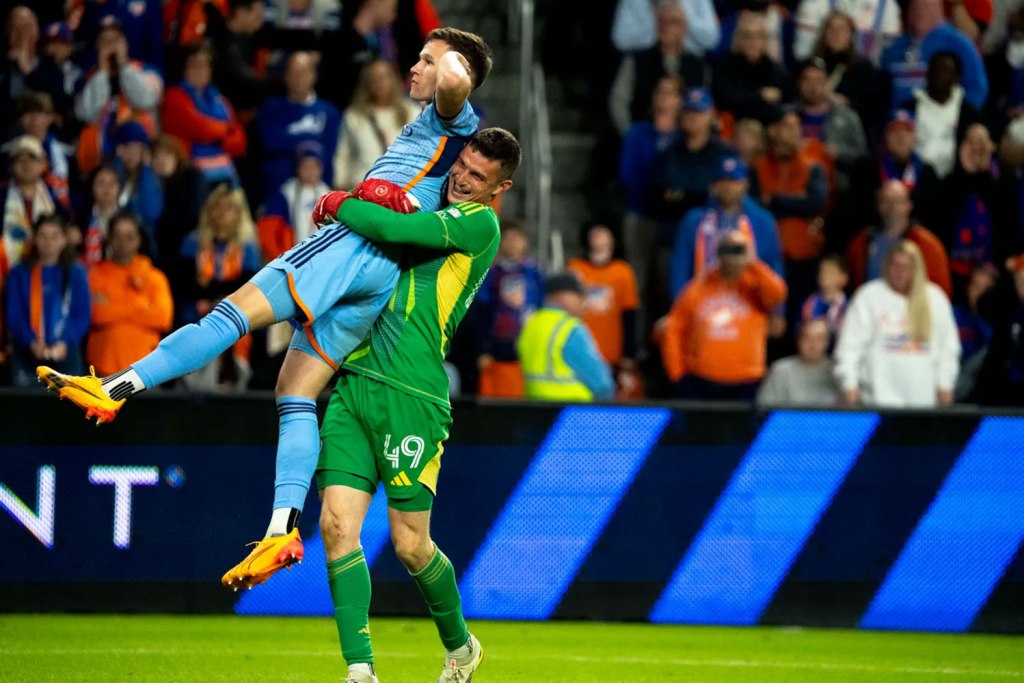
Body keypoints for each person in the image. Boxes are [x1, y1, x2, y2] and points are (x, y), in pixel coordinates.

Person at [38, 28, 494, 588]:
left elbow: (454, 80)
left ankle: (114, 389)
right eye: (420, 58)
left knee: (226, 317)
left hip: (353, 245)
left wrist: (449, 64)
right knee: (295, 392)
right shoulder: (431, 125)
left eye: (425, 60)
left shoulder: (453, 116)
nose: (417, 69)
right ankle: (281, 528)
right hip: (379, 276)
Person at [313, 127, 520, 683]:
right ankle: (360, 670)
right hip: (356, 380)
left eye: (478, 176)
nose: (462, 177)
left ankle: (461, 648)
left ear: (499, 188)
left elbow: (392, 226)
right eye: (462, 164)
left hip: (414, 394)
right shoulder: (440, 193)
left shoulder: (480, 224)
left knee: (409, 545)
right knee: (336, 526)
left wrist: (339, 202)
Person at [661, 230, 788, 400]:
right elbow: (674, 330)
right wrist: (677, 373)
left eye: (737, 250)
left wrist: (753, 263)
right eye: (726, 250)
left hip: (747, 381)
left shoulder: (755, 286)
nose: (732, 257)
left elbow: (778, 294)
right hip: (701, 381)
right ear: (718, 254)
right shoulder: (697, 288)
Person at [834, 240, 960, 407]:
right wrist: (849, 384)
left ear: (916, 269)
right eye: (895, 265)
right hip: (876, 400)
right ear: (886, 266)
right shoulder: (868, 296)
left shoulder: (935, 298)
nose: (899, 272)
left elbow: (949, 348)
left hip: (924, 401)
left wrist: (946, 383)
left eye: (906, 267)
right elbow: (849, 347)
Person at [175, 185, 261, 392]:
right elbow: (185, 287)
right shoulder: (192, 243)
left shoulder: (248, 248)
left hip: (237, 318)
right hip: (196, 317)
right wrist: (218, 295)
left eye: (228, 208)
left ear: (239, 214)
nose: (222, 213)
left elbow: (248, 288)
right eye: (217, 207)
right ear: (208, 211)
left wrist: (214, 293)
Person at [670, 155, 784, 300]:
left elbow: (773, 264)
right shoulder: (694, 220)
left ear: (745, 184)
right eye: (723, 181)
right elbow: (681, 265)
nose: (728, 187)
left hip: (748, 302)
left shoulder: (763, 220)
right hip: (704, 301)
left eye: (734, 181)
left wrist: (778, 309)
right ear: (714, 186)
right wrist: (680, 303)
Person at [619, 75, 683, 310]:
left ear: (680, 100)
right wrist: (660, 192)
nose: (664, 98)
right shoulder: (638, 133)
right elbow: (627, 174)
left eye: (671, 93)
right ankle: (637, 345)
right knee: (638, 283)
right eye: (660, 92)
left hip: (673, 219)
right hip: (640, 212)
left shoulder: (685, 136)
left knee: (668, 281)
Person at [5, 214, 90, 387]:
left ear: (64, 240)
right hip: (28, 352)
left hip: (66, 352)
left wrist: (65, 342)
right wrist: (32, 342)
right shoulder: (20, 273)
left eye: (54, 236)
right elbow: (14, 314)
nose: (48, 242)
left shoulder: (77, 273)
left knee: (68, 410)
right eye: (42, 235)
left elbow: (82, 315)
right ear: (34, 238)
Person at [86, 212, 174, 377]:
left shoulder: (155, 278)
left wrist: (113, 305)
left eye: (129, 237)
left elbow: (163, 319)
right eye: (117, 236)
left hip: (147, 370)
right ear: (109, 239)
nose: (122, 243)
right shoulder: (94, 276)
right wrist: (140, 304)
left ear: (138, 240)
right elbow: (96, 314)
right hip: (103, 368)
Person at [74, 15, 163, 176]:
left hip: (140, 159)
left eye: (115, 40)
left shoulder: (147, 72)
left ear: (125, 43)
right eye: (105, 41)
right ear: (97, 46)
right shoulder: (86, 78)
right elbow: (87, 115)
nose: (111, 46)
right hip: (98, 163)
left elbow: (145, 100)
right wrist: (102, 73)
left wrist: (123, 66)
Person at [608, 1, 708, 135]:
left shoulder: (698, 66)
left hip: (684, 142)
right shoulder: (636, 61)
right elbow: (618, 102)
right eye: (661, 21)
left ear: (684, 29)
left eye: (673, 22)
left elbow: (703, 106)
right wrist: (631, 135)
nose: (665, 27)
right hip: (641, 136)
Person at [161, 42, 248, 195]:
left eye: (204, 65)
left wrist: (223, 134)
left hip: (225, 172)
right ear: (184, 68)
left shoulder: (220, 100)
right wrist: (226, 130)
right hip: (191, 175)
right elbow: (198, 127)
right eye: (194, 64)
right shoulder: (174, 96)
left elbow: (239, 143)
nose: (199, 70)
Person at [567, 222, 641, 398]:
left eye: (603, 231)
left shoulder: (623, 271)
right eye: (594, 232)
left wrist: (628, 355)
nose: (597, 236)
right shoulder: (575, 267)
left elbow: (630, 314)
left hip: (610, 353)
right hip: (580, 350)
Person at [256, 51, 343, 199]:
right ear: (285, 76)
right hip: (277, 190)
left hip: (318, 191)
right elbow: (269, 142)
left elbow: (329, 151)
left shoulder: (329, 112)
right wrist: (311, 140)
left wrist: (289, 141)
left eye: (303, 72)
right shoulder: (270, 108)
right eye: (293, 73)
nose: (298, 78)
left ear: (313, 75)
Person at [518, 272, 615, 401]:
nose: (584, 302)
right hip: (574, 412)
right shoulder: (570, 328)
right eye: (579, 296)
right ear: (562, 296)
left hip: (536, 410)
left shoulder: (531, 324)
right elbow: (602, 384)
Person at [474, 221, 544, 398]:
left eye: (517, 238)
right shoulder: (491, 275)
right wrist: (483, 349)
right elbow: (481, 313)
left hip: (528, 347)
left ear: (525, 242)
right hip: (498, 350)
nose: (512, 243)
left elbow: (542, 309)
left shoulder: (536, 275)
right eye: (508, 238)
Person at [845, 179, 951, 295]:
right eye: (886, 201)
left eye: (898, 201)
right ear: (878, 205)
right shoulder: (860, 243)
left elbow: (940, 292)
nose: (892, 207)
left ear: (909, 205)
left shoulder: (928, 246)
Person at [880, 0, 988, 110]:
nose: (919, 11)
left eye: (925, 6)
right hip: (897, 121)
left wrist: (960, 118)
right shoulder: (893, 49)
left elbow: (977, 89)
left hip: (943, 121)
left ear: (939, 10)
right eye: (915, 6)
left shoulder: (959, 44)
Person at [333, 59, 422, 191]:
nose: (379, 82)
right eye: (374, 78)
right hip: (360, 189)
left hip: (401, 190)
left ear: (393, 79)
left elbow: (421, 153)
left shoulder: (412, 112)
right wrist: (340, 185)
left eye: (384, 77)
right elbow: (343, 154)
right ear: (367, 83)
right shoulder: (354, 116)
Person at [904, 51, 983, 179]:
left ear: (956, 77)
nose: (939, 75)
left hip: (956, 183)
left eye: (946, 71)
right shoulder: (908, 108)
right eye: (935, 69)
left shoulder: (970, 114)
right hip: (916, 181)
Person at [711, 10, 790, 125]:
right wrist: (759, 95)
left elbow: (783, 103)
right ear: (738, 39)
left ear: (765, 41)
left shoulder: (776, 70)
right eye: (747, 36)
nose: (753, 42)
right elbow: (726, 98)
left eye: (758, 36)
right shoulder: (724, 66)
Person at [258, 143, 332, 263]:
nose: (310, 171)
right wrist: (280, 259)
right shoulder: (286, 193)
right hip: (291, 258)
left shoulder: (329, 194)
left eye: (314, 166)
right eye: (305, 166)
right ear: (297, 168)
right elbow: (268, 229)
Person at [2, 135, 63, 277]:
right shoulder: (2, 196)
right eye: (20, 160)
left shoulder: (54, 197)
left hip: (45, 275)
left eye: (32, 159)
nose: (26, 165)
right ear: (12, 166)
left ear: (43, 164)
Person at [756, 317, 840, 405]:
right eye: (807, 337)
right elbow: (765, 408)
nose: (813, 344)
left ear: (827, 342)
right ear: (799, 340)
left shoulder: (837, 371)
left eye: (819, 338)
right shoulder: (780, 371)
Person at [793, 0, 900, 63]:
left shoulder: (887, 5)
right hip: (824, 77)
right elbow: (803, 56)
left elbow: (893, 57)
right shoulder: (813, 4)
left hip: (871, 82)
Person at [112, 121, 164, 235]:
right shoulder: (114, 170)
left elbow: (150, 212)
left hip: (144, 238)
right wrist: (118, 162)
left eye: (138, 149)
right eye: (127, 148)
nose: (132, 154)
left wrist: (146, 169)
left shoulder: (153, 176)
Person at [800, 254, 849, 336]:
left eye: (830, 272)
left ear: (844, 278)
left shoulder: (850, 306)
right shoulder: (808, 303)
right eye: (822, 271)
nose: (825, 275)